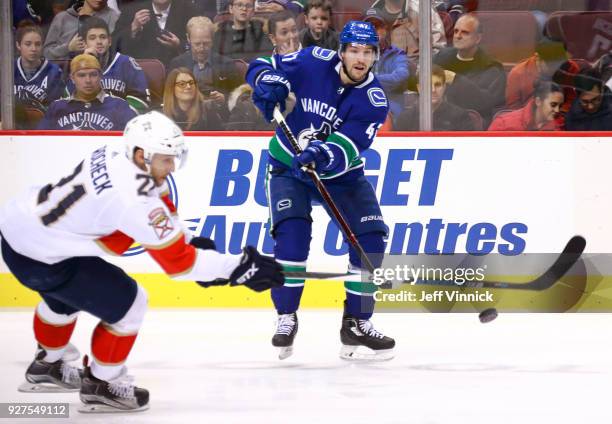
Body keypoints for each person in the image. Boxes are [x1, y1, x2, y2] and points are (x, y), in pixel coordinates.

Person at [0, 111, 284, 412]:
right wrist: (239, 266)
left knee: (64, 300)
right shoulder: (133, 199)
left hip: (20, 231)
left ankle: (47, 365)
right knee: (130, 304)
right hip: (43, 257)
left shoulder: (114, 152)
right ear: (141, 155)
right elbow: (180, 265)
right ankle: (102, 383)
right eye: (165, 159)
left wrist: (187, 238)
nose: (172, 167)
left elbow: (157, 207)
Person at [246, 21, 395, 361]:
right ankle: (286, 317)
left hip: (341, 175)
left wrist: (320, 153)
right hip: (288, 168)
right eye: (354, 50)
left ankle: (357, 322)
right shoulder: (313, 59)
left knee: (370, 239)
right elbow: (261, 66)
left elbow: (349, 145)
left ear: (375, 57)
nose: (361, 58)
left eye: (368, 52)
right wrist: (267, 82)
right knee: (292, 240)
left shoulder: (373, 100)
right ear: (341, 51)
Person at [64, 17, 151, 113]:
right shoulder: (77, 66)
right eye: (92, 38)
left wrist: (118, 117)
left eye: (103, 37)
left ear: (109, 41)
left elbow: (141, 100)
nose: (99, 42)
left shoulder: (126, 63)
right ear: (84, 43)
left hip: (119, 122)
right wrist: (86, 65)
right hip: (86, 122)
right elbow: (66, 100)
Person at [433, 13, 506, 125]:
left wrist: (455, 79)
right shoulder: (441, 58)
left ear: (478, 38)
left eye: (465, 32)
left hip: (472, 124)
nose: (458, 36)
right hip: (439, 120)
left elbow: (486, 102)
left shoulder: (491, 67)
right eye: (456, 31)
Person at [37, 54, 137, 130]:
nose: (88, 80)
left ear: (100, 76)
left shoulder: (119, 106)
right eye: (81, 75)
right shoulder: (56, 108)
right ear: (72, 78)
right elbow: (39, 142)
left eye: (93, 75)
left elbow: (134, 139)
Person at [168, 16, 242, 102]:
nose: (202, 48)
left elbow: (239, 95)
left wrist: (225, 98)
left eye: (206, 43)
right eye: (197, 44)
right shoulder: (177, 64)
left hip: (218, 110)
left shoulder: (226, 64)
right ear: (188, 38)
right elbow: (169, 95)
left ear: (213, 39)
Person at [112, 0, 198, 66]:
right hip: (141, 71)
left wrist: (179, 45)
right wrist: (133, 28)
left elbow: (203, 44)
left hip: (179, 71)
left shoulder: (189, 9)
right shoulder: (131, 10)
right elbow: (114, 43)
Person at [13, 24, 66, 128]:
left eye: (38, 44)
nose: (33, 49)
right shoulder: (8, 70)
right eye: (28, 44)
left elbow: (58, 109)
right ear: (18, 45)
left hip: (43, 129)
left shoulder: (54, 72)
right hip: (11, 128)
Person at [396, 65, 476, 131]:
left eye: (437, 85)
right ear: (419, 88)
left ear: (444, 87)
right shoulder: (405, 118)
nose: (433, 90)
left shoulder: (460, 117)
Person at [363, 8, 409, 123]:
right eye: (368, 27)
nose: (372, 31)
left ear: (385, 29)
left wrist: (367, 79)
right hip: (362, 102)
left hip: (391, 104)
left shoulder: (397, 54)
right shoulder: (355, 54)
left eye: (377, 26)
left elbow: (401, 75)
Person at [368, 0, 446, 62]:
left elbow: (437, 50)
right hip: (381, 74)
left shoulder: (422, 10)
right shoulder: (372, 11)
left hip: (416, 77)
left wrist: (417, 72)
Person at [43, 0, 119, 60]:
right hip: (62, 75)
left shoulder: (114, 18)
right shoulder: (62, 18)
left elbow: (116, 54)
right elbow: (46, 53)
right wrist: (68, 48)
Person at [505, 39, 568, 110]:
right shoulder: (518, 73)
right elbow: (513, 107)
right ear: (538, 57)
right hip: (528, 117)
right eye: (550, 64)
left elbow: (570, 101)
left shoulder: (569, 68)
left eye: (558, 63)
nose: (555, 68)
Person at [488, 79, 564, 131]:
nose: (557, 110)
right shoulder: (503, 124)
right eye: (553, 105)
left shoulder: (557, 128)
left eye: (560, 106)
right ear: (538, 101)